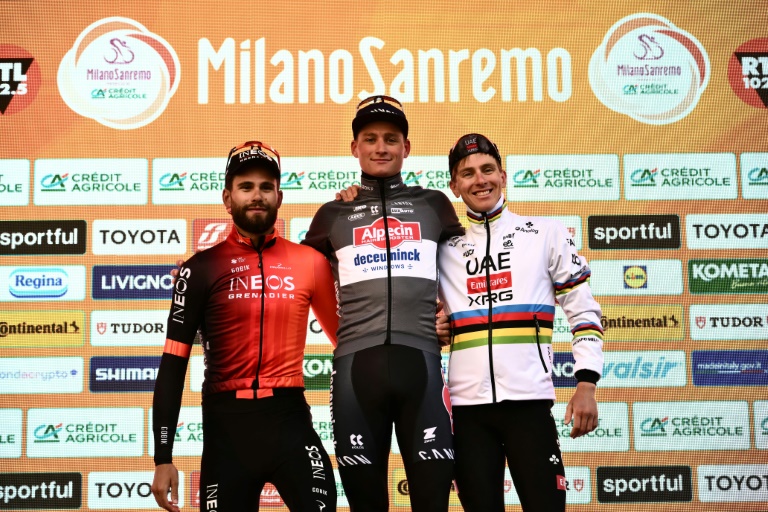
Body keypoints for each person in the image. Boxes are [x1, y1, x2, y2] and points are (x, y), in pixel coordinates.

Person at [151, 141, 339, 512]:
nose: (257, 196)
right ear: (227, 196)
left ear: (279, 197)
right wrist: (162, 457)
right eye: (246, 186)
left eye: (266, 187)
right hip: (227, 430)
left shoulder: (310, 263)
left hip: (289, 419)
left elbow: (347, 343)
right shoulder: (199, 269)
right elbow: (172, 364)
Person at [301, 96, 464, 511]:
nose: (380, 147)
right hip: (357, 371)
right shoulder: (334, 212)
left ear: (406, 148)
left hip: (423, 368)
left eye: (391, 139)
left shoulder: (434, 205)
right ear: (354, 147)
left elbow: (468, 271)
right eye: (369, 138)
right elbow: (290, 273)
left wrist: (449, 317)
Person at [436, 133, 605, 511]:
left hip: (530, 406)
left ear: (504, 176)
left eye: (487, 170)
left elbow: (584, 314)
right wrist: (434, 328)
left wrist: (586, 383)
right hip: (466, 413)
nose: (480, 180)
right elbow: (416, 310)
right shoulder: (443, 248)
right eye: (467, 174)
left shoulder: (546, 233)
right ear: (454, 186)